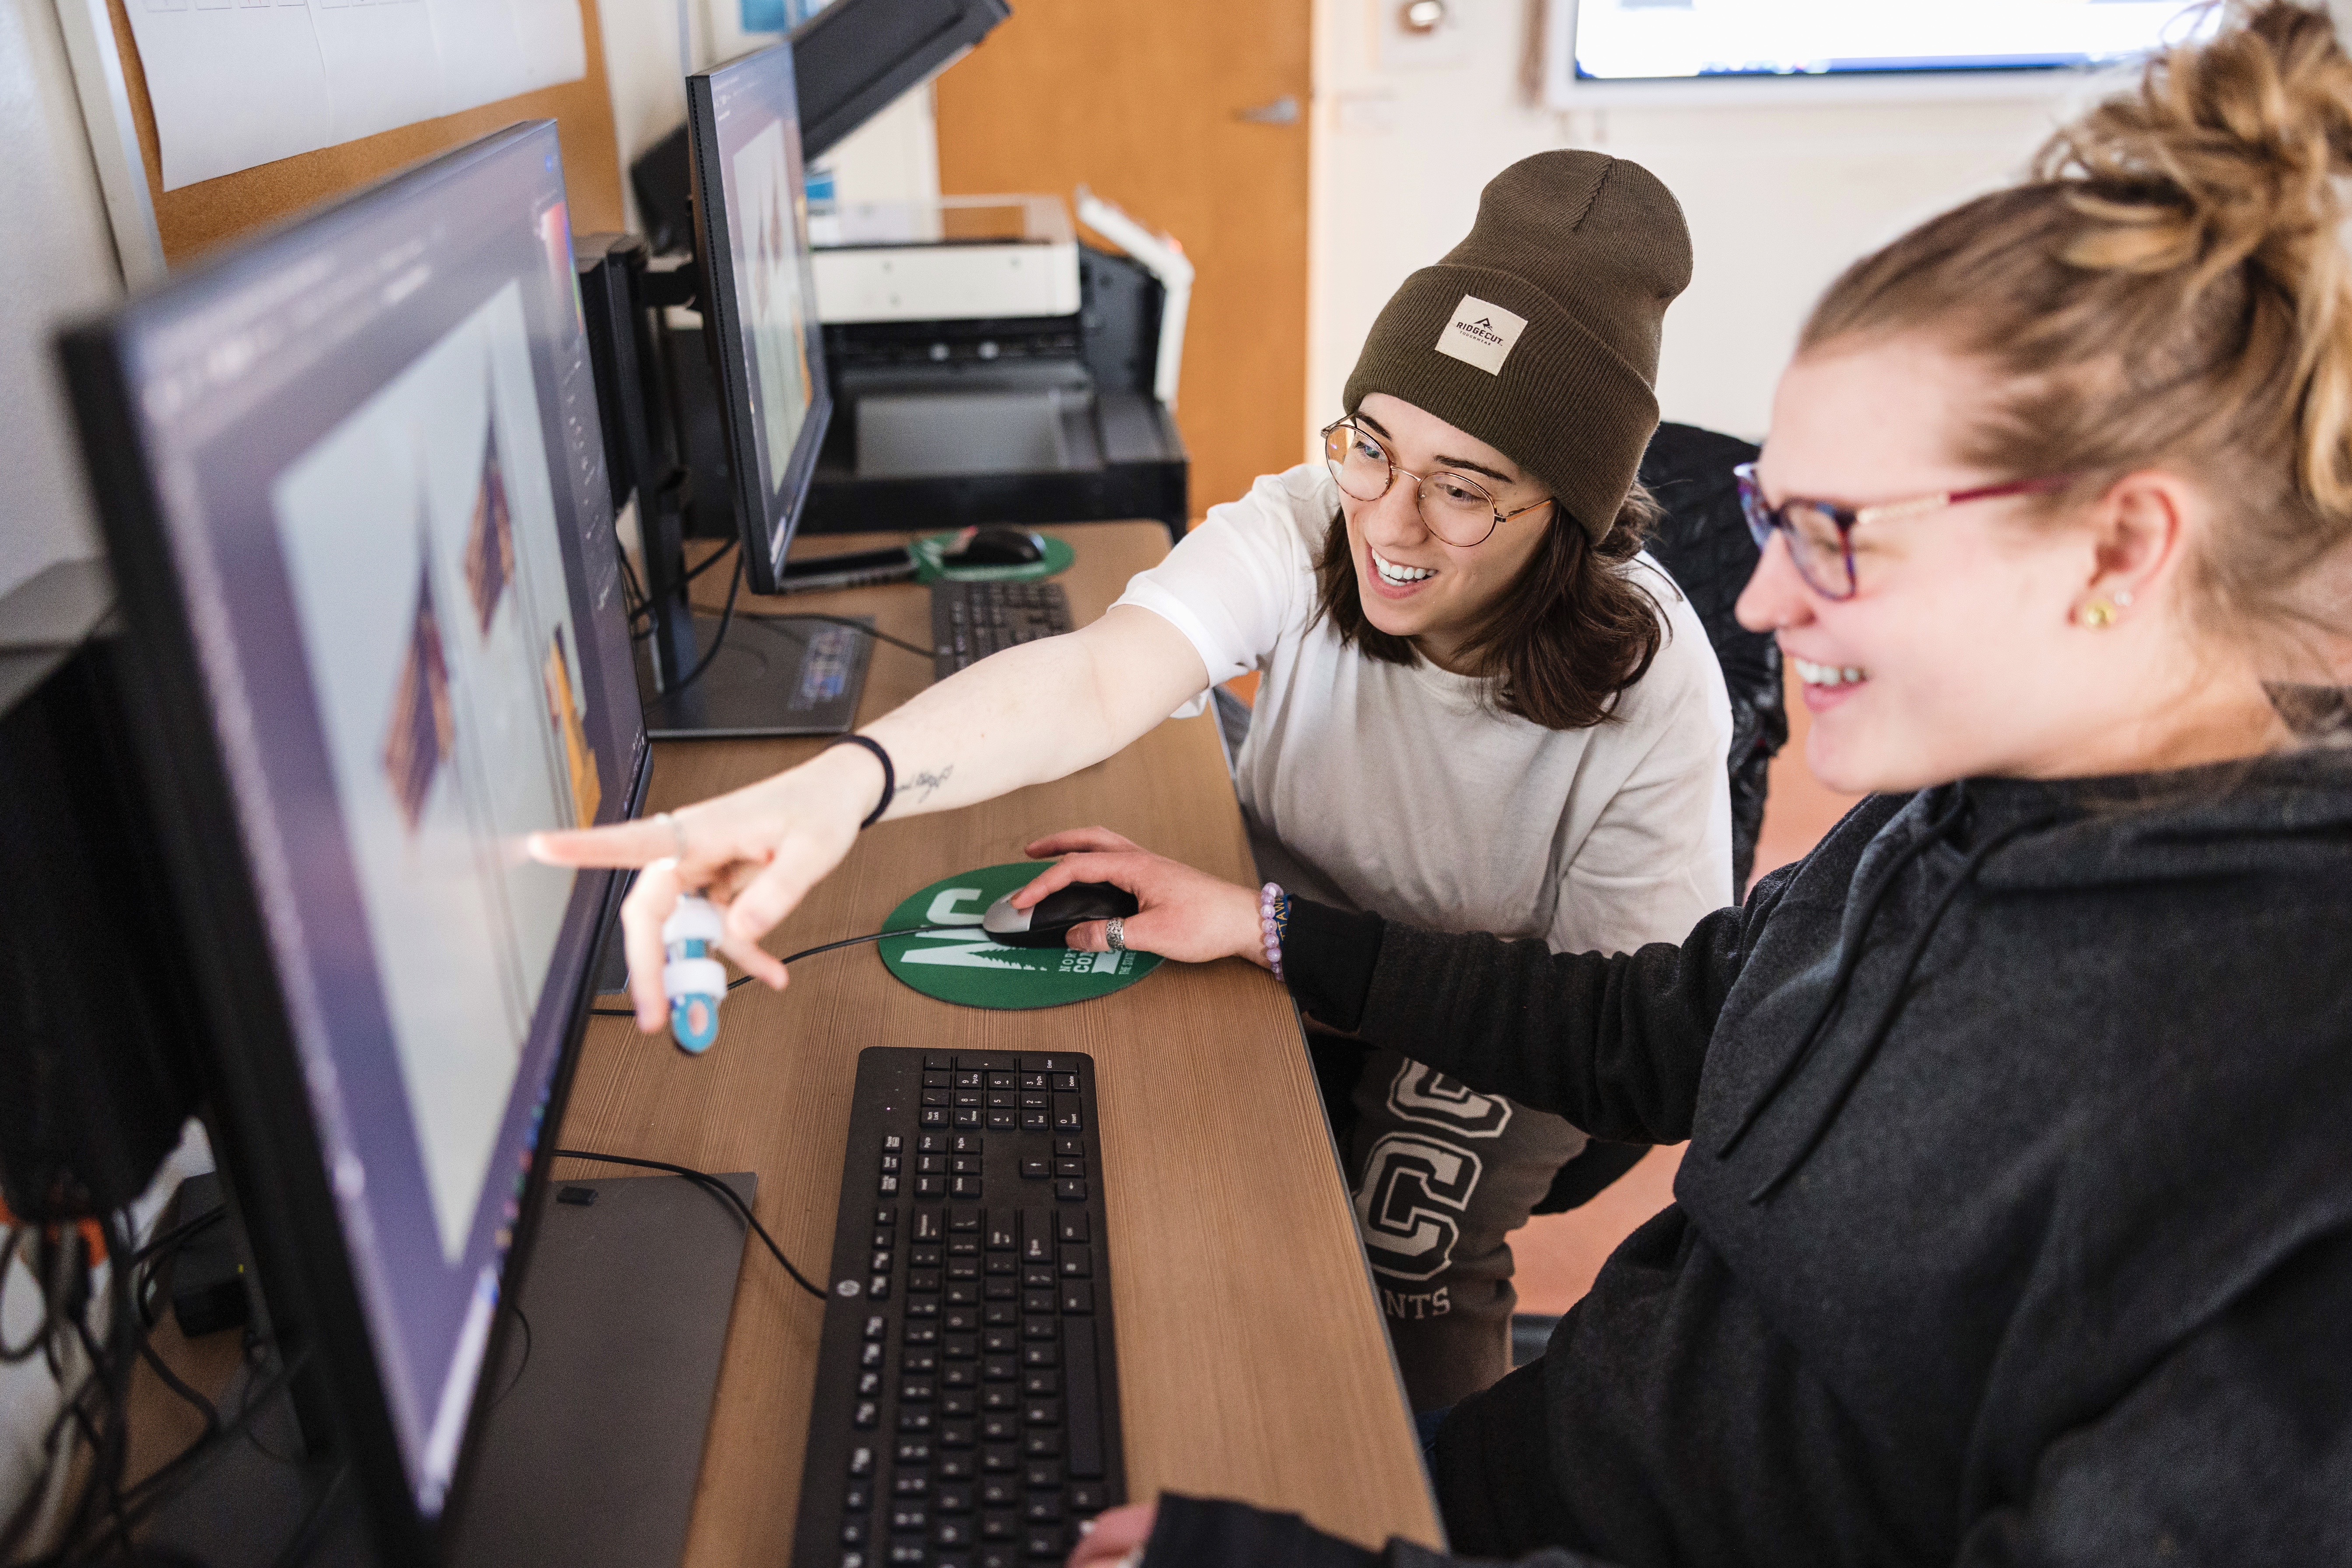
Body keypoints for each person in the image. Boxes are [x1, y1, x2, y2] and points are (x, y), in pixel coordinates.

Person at [1034, 5, 2352, 1563]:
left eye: (1840, 535)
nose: (1761, 609)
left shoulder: (2284, 1129)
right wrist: (1270, 933)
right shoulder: (1961, 819)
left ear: (2123, 550)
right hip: (1527, 1472)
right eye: (1768, 516)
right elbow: (1655, 1032)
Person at [534, 153, 1735, 1408]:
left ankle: (1429, 1507)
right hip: (1281, 945)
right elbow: (1100, 680)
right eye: (1374, 448)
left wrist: (1275, 932)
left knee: (1408, 1236)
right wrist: (848, 785)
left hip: (1500, 1010)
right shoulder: (1312, 518)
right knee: (1152, 1154)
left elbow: (1626, 1028)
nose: (1390, 522)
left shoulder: (1650, 683)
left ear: (1574, 514)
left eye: (1466, 489)